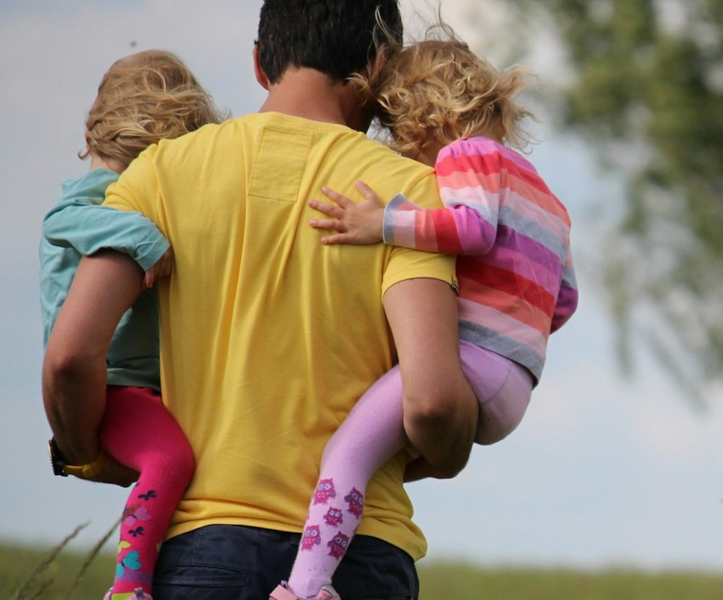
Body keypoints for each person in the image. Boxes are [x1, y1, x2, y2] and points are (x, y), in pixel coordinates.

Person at [41, 2, 480, 599]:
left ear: (257, 62)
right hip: (357, 557)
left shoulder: (158, 173)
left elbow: (70, 356)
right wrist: (448, 453)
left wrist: (88, 453)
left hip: (203, 552)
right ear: (379, 65)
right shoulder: (409, 198)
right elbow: (430, 402)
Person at [278, 33, 577, 600]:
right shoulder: (551, 202)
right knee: (379, 458)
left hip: (471, 365)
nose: (401, 153)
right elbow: (564, 302)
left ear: (424, 119)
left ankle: (305, 587)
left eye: (396, 132)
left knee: (345, 453)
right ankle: (335, 536)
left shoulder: (469, 155)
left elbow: (472, 228)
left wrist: (383, 222)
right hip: (516, 384)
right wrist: (514, 333)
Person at [39, 49, 220, 600]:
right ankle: (129, 585)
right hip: (115, 383)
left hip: (147, 383)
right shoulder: (95, 195)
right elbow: (61, 222)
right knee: (169, 460)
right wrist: (145, 239)